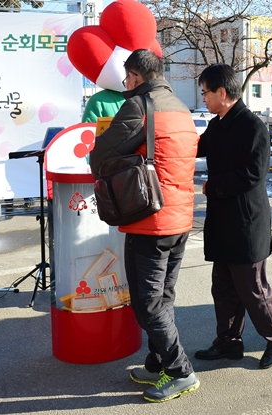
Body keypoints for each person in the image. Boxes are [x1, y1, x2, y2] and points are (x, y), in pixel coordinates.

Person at [89, 49, 200, 403]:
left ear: (135, 76)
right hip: (180, 219)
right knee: (163, 297)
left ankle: (181, 372)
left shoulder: (139, 106)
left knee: (147, 304)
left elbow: (100, 155)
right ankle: (158, 363)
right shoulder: (182, 108)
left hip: (149, 221)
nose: (126, 84)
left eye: (127, 78)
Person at [193, 64, 272, 369]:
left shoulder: (252, 126)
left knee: (253, 288)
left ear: (222, 92)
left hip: (246, 222)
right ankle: (228, 342)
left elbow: (253, 173)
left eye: (206, 92)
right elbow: (195, 148)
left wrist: (212, 186)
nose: (203, 98)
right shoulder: (217, 124)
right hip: (222, 220)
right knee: (223, 287)